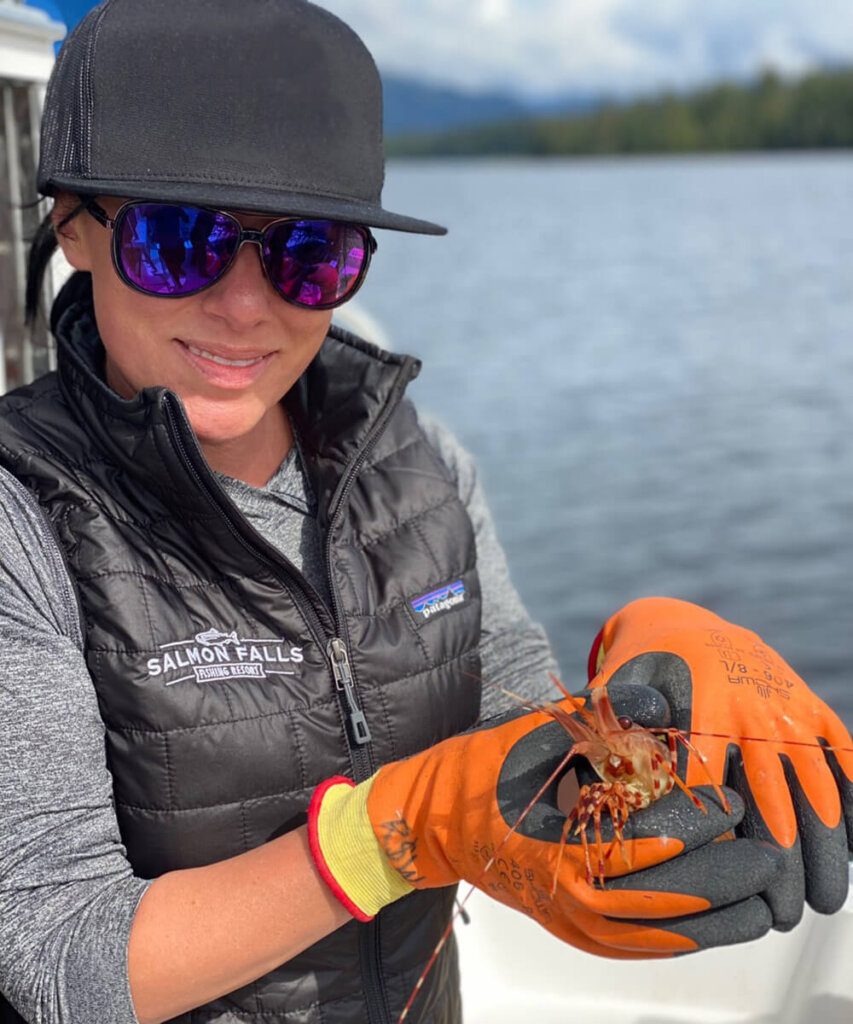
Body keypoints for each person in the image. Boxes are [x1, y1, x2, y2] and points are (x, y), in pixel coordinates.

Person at [0, 2, 850, 1023]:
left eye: (308, 255)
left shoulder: (417, 463)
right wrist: (392, 832)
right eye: (179, 242)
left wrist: (645, 712)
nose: (244, 304)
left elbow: (515, 745)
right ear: (76, 231)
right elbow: (62, 964)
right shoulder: (22, 516)